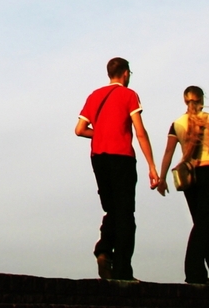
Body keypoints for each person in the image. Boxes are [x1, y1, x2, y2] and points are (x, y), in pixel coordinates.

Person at [74, 57, 159, 280]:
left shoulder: (94, 96)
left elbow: (80, 129)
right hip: (121, 157)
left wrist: (101, 132)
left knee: (112, 209)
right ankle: (122, 270)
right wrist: (152, 166)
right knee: (125, 215)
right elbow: (140, 132)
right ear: (126, 73)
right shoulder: (129, 95)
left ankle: (104, 251)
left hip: (98, 157)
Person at [156, 86, 209, 284]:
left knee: (203, 224)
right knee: (205, 223)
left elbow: (168, 153)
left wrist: (162, 178)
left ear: (185, 100)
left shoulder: (176, 124)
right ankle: (194, 272)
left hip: (189, 178)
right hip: (207, 173)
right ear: (201, 99)